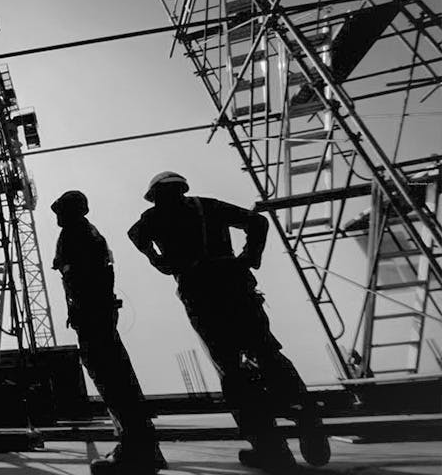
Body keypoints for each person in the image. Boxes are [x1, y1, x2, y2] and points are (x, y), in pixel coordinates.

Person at [128, 172, 330, 472]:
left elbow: (135, 236)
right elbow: (257, 222)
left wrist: (157, 260)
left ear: (156, 194)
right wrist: (249, 258)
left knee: (232, 370)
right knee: (266, 352)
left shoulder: (153, 217)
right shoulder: (207, 206)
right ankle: (305, 411)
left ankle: (270, 449)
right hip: (235, 286)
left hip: (200, 294)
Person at [51, 190, 165, 475]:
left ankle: (136, 452)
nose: (57, 217)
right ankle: (145, 448)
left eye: (60, 211)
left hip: (93, 316)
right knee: (117, 378)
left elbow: (85, 278)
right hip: (96, 314)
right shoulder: (85, 233)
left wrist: (84, 310)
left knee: (112, 379)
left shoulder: (77, 234)